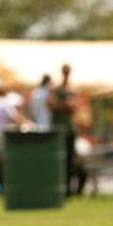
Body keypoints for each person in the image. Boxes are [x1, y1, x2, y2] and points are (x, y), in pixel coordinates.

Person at [48, 64, 77, 196]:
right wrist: (64, 104)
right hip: (58, 130)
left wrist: (64, 105)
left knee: (70, 160)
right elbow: (51, 105)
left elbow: (73, 107)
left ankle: (67, 190)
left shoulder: (71, 89)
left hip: (69, 129)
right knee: (57, 160)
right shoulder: (56, 89)